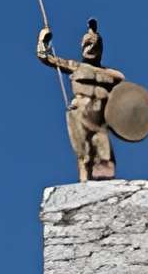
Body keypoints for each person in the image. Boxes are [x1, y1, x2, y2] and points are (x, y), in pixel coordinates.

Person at [36, 16, 123, 180]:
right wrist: (43, 40)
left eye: (93, 44)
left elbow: (124, 87)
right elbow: (45, 57)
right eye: (87, 44)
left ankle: (102, 187)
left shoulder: (111, 74)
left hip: (100, 117)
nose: (90, 47)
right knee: (84, 152)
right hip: (81, 111)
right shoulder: (75, 66)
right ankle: (85, 182)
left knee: (104, 155)